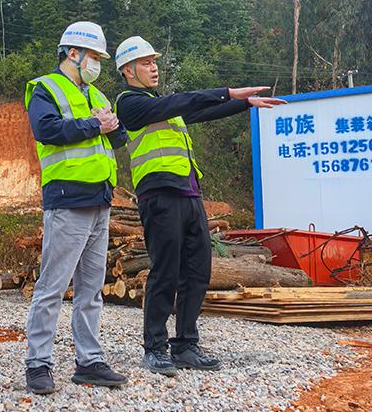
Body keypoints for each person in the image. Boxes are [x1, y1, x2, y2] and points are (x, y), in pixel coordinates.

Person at [113, 36, 287, 377]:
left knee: (197, 271)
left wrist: (244, 104)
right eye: (146, 63)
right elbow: (186, 101)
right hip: (159, 196)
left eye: (154, 62)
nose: (154, 67)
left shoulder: (163, 106)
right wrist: (227, 92)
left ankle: (185, 345)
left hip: (189, 195)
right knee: (165, 271)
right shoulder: (130, 104)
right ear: (128, 70)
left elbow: (200, 110)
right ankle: (155, 348)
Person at [22, 21, 129, 395]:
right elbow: (47, 130)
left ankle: (90, 361)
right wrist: (94, 125)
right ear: (73, 53)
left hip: (100, 199)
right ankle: (38, 363)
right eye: (94, 55)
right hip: (68, 199)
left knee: (91, 289)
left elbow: (117, 137)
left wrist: (111, 126)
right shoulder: (45, 88)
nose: (97, 63)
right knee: (52, 286)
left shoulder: (97, 94)